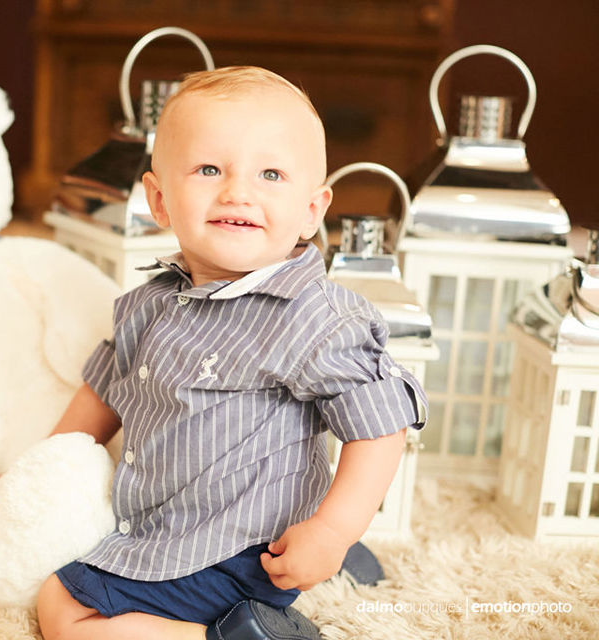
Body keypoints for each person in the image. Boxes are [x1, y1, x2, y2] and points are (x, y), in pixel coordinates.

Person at [35, 66, 426, 640]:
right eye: (209, 169)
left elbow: (379, 428)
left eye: (271, 174)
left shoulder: (315, 318)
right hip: (160, 521)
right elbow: (105, 392)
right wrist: (43, 471)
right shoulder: (149, 304)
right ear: (159, 199)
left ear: (312, 210)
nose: (238, 192)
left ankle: (231, 635)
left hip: (240, 549)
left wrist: (332, 531)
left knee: (65, 609)